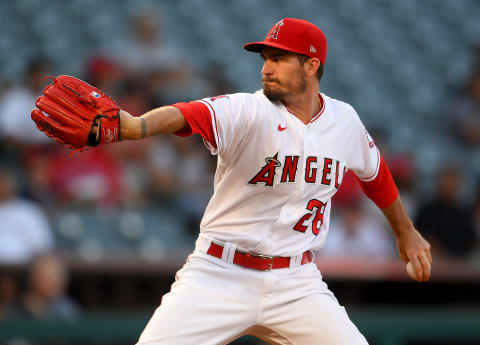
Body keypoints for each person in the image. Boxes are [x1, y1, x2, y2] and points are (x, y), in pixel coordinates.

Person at [40, 18, 433, 345]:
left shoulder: (344, 120)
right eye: (265, 58)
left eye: (279, 58)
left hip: (297, 281)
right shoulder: (248, 109)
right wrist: (138, 126)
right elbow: (189, 113)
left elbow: (376, 174)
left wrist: (406, 232)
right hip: (219, 273)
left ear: (311, 66)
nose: (266, 67)